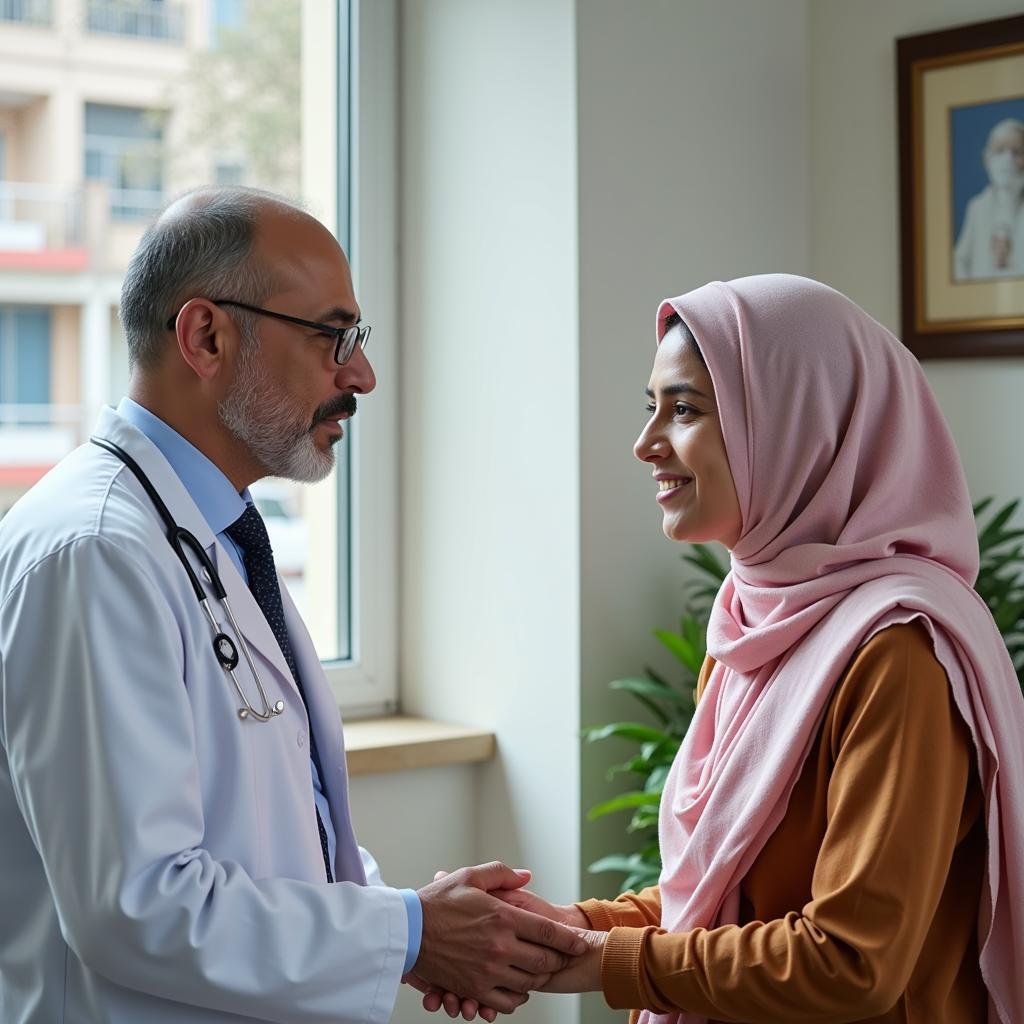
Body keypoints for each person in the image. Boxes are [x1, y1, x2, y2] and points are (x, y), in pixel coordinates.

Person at [0, 185, 586, 1024]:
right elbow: (137, 905)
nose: (362, 375)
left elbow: (274, 832)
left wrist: (412, 921)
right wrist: (411, 934)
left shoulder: (215, 534)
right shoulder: (95, 553)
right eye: (332, 336)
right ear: (206, 335)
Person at [420, 274, 1024, 1023]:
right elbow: (721, 892)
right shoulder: (756, 619)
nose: (645, 444)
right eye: (653, 408)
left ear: (795, 423)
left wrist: (593, 963)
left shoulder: (898, 654)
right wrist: (564, 931)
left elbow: (850, 961)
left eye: (685, 409)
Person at [954, 117, 1024, 280]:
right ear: (987, 158)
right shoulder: (977, 207)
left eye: (1017, 152)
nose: (1008, 160)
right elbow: (960, 261)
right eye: (1000, 151)